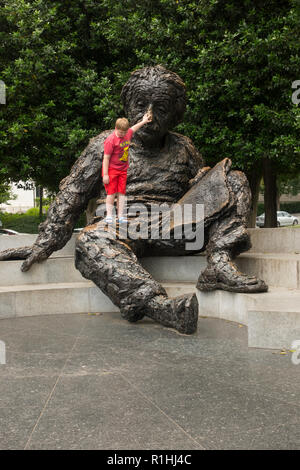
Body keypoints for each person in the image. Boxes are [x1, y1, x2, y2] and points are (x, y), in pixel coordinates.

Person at [102, 113, 152, 223]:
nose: (122, 134)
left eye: (124, 132)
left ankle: (120, 216)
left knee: (121, 193)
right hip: (112, 170)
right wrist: (105, 174)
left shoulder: (127, 133)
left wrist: (144, 121)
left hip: (123, 170)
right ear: (116, 128)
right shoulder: (111, 140)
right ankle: (109, 215)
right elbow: (106, 158)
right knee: (111, 193)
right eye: (120, 132)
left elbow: (133, 128)